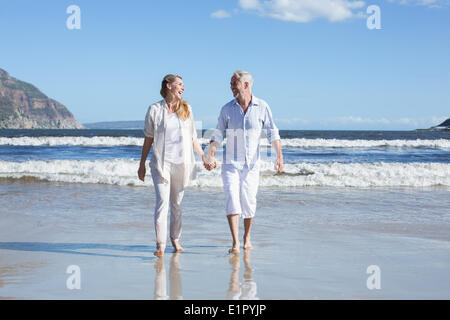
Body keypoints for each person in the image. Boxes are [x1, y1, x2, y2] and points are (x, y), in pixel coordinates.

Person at [206, 70, 283, 254]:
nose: (231, 86)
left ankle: (246, 238)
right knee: (232, 198)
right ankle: (235, 242)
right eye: (231, 83)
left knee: (249, 201)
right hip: (230, 163)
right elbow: (218, 133)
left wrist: (279, 156)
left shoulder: (262, 106)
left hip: (252, 164)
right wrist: (211, 153)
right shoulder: (226, 109)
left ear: (246, 85)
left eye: (234, 83)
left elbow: (273, 132)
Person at [138, 74, 208, 257]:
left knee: (177, 204)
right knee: (162, 202)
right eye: (179, 84)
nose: (183, 88)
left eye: (183, 85)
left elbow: (193, 138)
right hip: (161, 164)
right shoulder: (154, 109)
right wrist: (142, 164)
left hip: (181, 164)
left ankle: (175, 239)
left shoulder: (187, 109)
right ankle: (160, 245)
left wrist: (203, 156)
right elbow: (148, 138)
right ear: (168, 86)